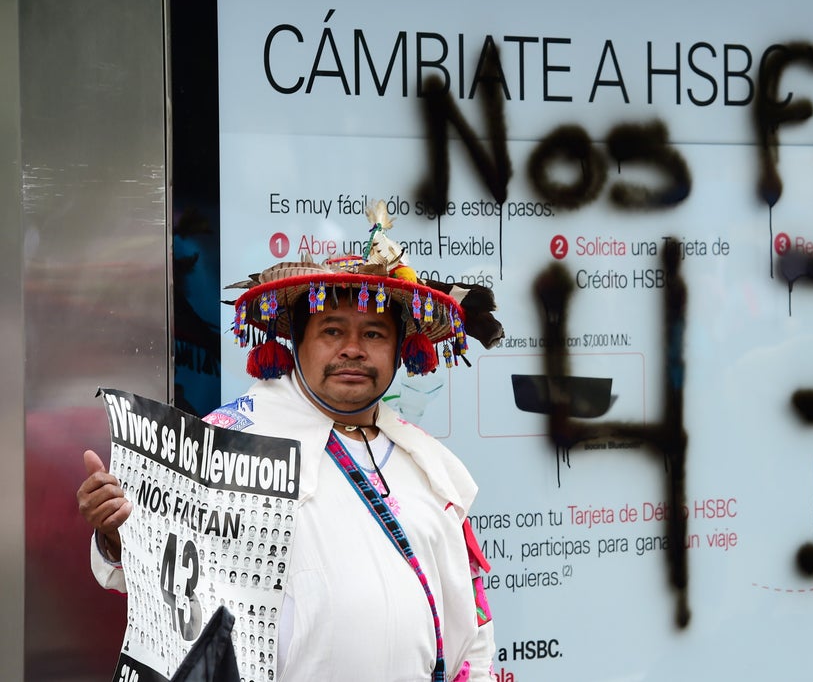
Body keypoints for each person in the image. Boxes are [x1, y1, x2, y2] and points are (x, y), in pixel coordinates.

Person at [77, 203, 503, 681]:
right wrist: (117, 535)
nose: (353, 349)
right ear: (296, 343)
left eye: (375, 333)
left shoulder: (425, 463)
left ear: (401, 350)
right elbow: (167, 581)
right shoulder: (229, 443)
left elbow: (472, 623)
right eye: (332, 330)